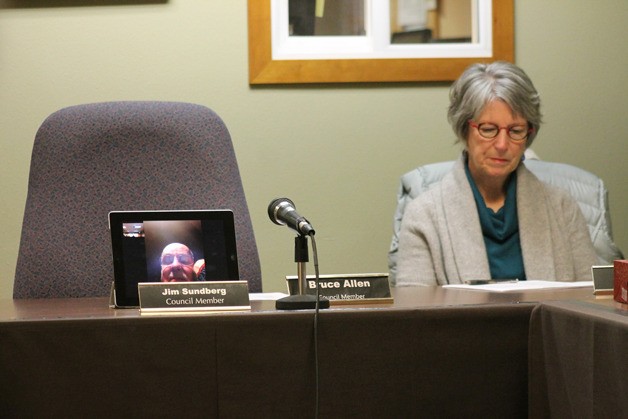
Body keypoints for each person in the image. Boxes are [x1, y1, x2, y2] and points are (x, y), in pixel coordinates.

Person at [395, 61, 597, 286]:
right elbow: (415, 314)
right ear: (464, 130)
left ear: (528, 134)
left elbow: (591, 300)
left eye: (516, 131)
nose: (502, 144)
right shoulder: (423, 215)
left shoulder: (562, 207)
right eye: (488, 130)